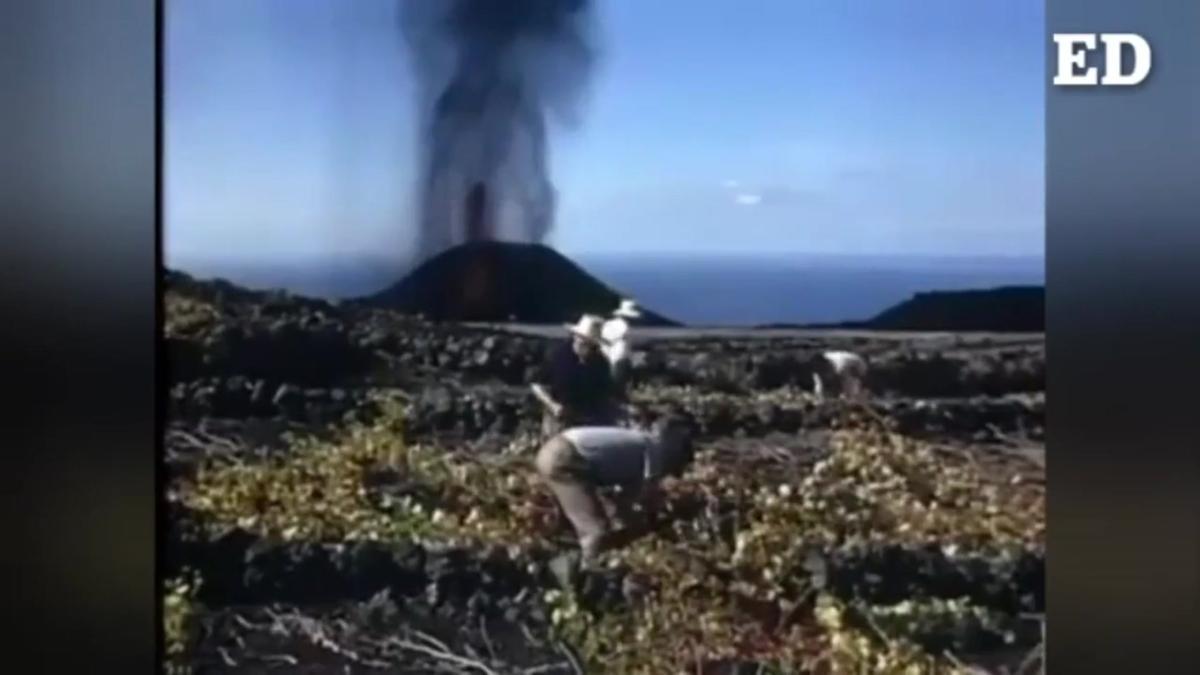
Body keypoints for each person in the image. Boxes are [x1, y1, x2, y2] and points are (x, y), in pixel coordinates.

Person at [534, 416, 696, 561]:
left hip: (559, 451)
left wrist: (626, 519)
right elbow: (647, 497)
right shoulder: (654, 449)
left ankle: (563, 565)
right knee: (596, 531)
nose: (667, 473)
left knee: (568, 527)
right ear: (674, 454)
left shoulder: (637, 450)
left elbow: (622, 500)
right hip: (567, 459)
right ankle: (588, 581)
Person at [530, 314, 621, 438]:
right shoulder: (558, 356)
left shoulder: (600, 362)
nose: (587, 349)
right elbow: (536, 384)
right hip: (558, 419)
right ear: (575, 337)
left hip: (588, 421)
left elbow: (606, 392)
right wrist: (553, 405)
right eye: (583, 343)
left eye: (591, 346)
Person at [601, 299, 642, 395]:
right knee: (617, 386)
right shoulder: (623, 327)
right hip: (618, 360)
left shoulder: (610, 325)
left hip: (614, 358)